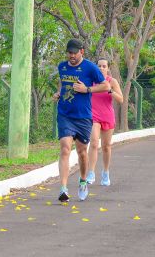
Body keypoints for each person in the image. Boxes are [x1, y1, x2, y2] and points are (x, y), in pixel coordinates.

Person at [52, 39, 110, 203]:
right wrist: (58, 93)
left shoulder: (90, 67)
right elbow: (62, 82)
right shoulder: (62, 67)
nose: (71, 55)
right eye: (69, 52)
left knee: (82, 153)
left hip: (83, 117)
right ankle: (63, 188)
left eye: (74, 52)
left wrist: (87, 89)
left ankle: (83, 180)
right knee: (65, 148)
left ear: (81, 52)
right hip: (65, 114)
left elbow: (105, 86)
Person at [86, 58, 123, 186]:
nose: (101, 68)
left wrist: (110, 91)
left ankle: (105, 172)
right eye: (99, 66)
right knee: (94, 143)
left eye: (104, 66)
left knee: (106, 146)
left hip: (107, 116)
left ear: (108, 68)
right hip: (93, 116)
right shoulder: (91, 80)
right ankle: (91, 172)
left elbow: (121, 99)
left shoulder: (112, 81)